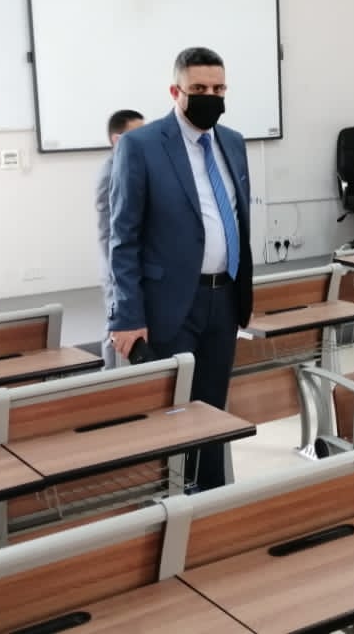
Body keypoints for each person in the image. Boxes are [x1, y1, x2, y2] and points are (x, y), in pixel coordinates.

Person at [108, 46, 253, 491]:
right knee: (174, 414)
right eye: (199, 89)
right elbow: (123, 237)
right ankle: (174, 504)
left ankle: (211, 499)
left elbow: (237, 217)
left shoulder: (233, 142)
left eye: (219, 89)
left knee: (213, 411)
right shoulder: (141, 146)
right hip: (170, 303)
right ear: (176, 91)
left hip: (224, 300)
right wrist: (127, 314)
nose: (211, 97)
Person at [94, 109, 144, 369]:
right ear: (117, 139)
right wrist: (117, 268)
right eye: (137, 134)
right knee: (116, 323)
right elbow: (107, 230)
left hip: (131, 263)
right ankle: (109, 376)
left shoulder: (131, 166)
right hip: (116, 265)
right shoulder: (110, 173)